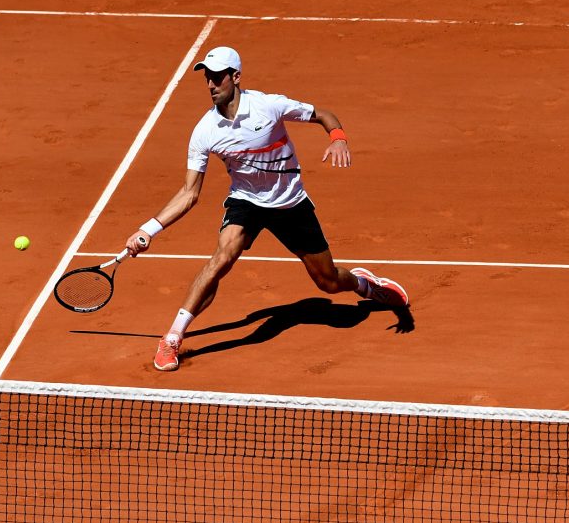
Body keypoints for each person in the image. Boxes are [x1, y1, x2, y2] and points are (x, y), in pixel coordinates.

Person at [126, 46, 408, 371]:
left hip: (290, 202)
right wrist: (148, 229)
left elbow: (322, 114)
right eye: (207, 78)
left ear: (235, 77)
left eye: (218, 77)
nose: (211, 85)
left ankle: (365, 285)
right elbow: (189, 193)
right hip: (246, 201)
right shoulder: (205, 131)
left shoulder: (269, 106)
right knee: (221, 258)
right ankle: (173, 338)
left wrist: (338, 138)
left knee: (328, 282)